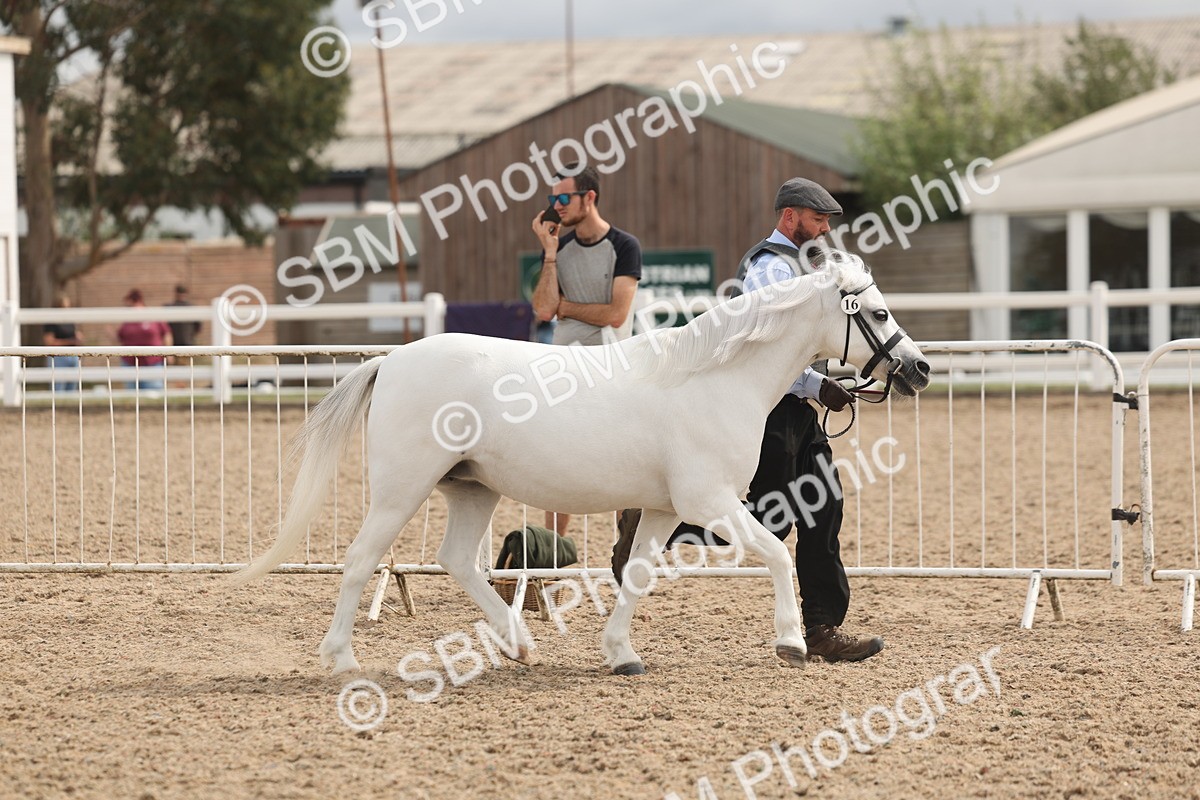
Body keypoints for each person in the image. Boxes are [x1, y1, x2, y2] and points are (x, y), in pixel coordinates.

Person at [612, 177, 884, 664]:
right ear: (790, 217)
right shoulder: (769, 269)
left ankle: (822, 628)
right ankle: (659, 526)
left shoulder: (807, 267)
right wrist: (817, 385)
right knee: (766, 520)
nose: (825, 229)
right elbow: (767, 348)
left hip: (797, 411)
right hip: (765, 412)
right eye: (817, 220)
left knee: (825, 507)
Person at [530, 163, 642, 535]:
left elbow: (615, 314)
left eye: (564, 198)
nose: (557, 206)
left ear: (589, 197)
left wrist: (566, 307)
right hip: (564, 372)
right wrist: (549, 252)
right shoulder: (558, 249)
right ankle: (552, 552)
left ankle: (624, 554)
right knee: (558, 465)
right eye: (553, 200)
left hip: (612, 372)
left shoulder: (624, 246)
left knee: (623, 468)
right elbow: (544, 309)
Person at [117, 289, 173, 390]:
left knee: (154, 392)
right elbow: (120, 338)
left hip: (152, 361)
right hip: (130, 362)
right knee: (132, 394)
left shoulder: (152, 316)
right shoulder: (127, 321)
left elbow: (166, 333)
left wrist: (169, 352)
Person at [42, 294, 82, 392]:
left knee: (72, 386)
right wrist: (69, 341)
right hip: (58, 357)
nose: (66, 309)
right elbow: (49, 341)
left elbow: (74, 333)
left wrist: (77, 337)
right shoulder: (51, 321)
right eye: (64, 307)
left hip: (72, 355)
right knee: (58, 387)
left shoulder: (70, 321)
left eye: (68, 306)